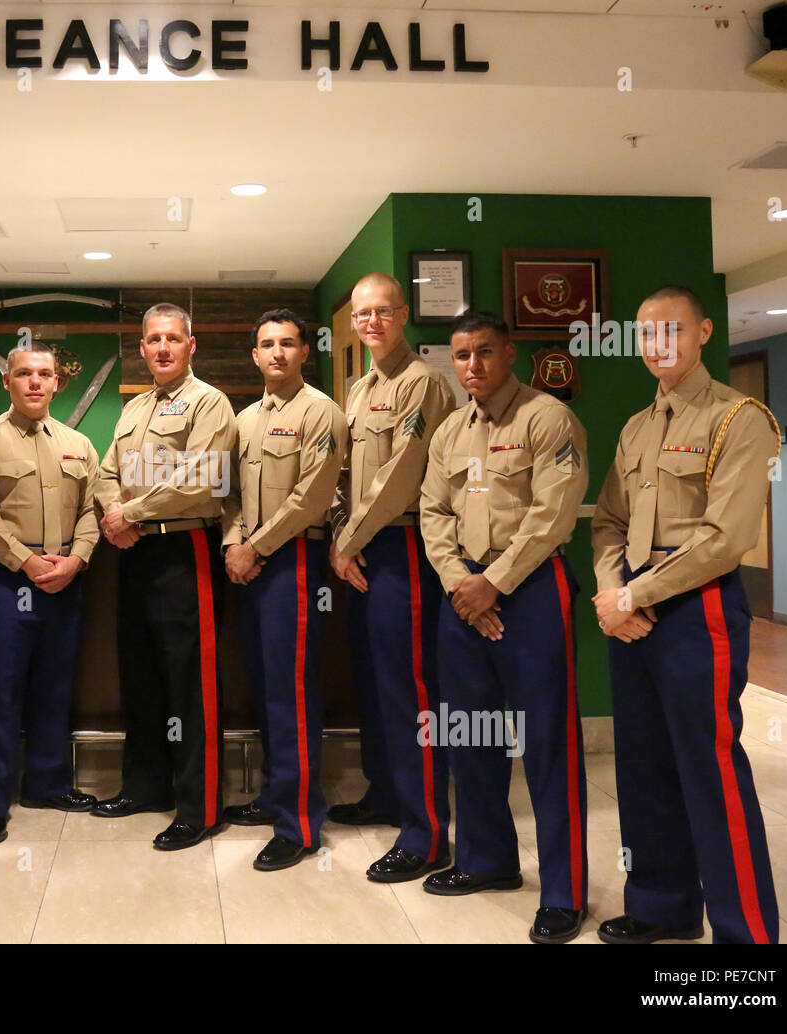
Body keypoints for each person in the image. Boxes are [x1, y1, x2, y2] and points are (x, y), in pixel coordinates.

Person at [591, 286, 779, 945]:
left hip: (697, 607)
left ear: (702, 331)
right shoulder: (637, 428)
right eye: (645, 334)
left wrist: (633, 597)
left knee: (710, 771)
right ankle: (661, 906)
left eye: (671, 330)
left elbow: (726, 537)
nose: (657, 344)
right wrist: (610, 590)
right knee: (642, 765)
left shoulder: (738, 418)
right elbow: (608, 522)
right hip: (630, 607)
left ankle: (745, 936)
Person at [419, 310, 590, 944]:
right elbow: (431, 511)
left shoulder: (548, 419)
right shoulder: (448, 432)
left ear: (508, 352)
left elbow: (554, 513)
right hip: (460, 594)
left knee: (547, 744)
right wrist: (460, 584)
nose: (473, 366)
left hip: (532, 592)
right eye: (462, 355)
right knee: (469, 734)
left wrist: (495, 583)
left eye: (484, 352)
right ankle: (487, 861)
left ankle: (565, 891)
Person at [91, 302, 238, 851]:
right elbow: (107, 472)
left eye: (172, 338)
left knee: (189, 680)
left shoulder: (210, 403)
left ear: (190, 345)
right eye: (153, 339)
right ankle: (145, 785)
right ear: (142, 347)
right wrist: (116, 515)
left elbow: (206, 480)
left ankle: (199, 806)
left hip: (185, 551)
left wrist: (127, 513)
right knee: (142, 672)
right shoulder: (133, 410)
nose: (161, 348)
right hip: (135, 553)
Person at [330, 272, 457, 882]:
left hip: (403, 548)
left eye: (382, 311)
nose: (371, 322)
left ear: (403, 315)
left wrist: (346, 542)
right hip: (359, 552)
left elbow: (403, 474)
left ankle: (425, 829)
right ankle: (384, 793)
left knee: (410, 692)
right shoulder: (358, 390)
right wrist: (343, 539)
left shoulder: (423, 384)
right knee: (374, 684)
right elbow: (346, 476)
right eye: (362, 315)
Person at [0, 340, 100, 845]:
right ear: (7, 382)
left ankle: (47, 783)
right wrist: (26, 559)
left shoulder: (78, 444)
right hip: (6, 580)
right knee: (0, 693)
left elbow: (92, 509)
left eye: (45, 374)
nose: (36, 382)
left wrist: (78, 558)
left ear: (58, 382)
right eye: (25, 374)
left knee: (54, 688)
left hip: (64, 577)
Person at [221, 309, 346, 871]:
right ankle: (274, 792)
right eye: (267, 344)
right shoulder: (245, 419)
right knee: (266, 686)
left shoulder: (321, 412)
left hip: (292, 560)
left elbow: (313, 495)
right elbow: (228, 494)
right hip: (249, 563)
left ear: (304, 353)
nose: (277, 353)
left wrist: (256, 547)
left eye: (288, 344)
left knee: (291, 692)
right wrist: (233, 543)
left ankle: (298, 823)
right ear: (255, 355)